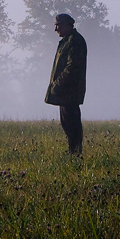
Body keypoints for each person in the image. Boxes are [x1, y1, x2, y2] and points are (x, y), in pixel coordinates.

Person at [45, 13, 87, 155]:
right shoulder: (69, 40)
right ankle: (73, 152)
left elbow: (72, 67)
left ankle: (75, 153)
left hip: (70, 91)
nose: (56, 29)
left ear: (68, 25)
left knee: (72, 124)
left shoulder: (75, 41)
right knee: (67, 123)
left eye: (58, 25)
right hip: (66, 92)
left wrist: (57, 84)